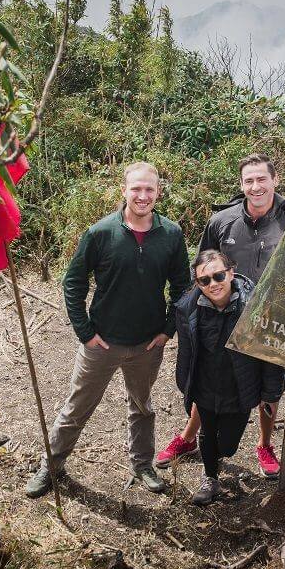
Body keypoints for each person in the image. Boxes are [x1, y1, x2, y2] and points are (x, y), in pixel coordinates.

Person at [25, 162, 190, 498]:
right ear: (124, 190)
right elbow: (72, 282)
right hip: (102, 343)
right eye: (136, 189)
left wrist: (168, 330)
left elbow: (182, 287)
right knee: (77, 407)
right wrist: (85, 332)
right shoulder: (100, 233)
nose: (142, 196)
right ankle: (52, 465)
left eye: (149, 189)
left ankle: (142, 465)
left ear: (158, 191)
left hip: (147, 344)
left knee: (142, 406)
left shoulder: (171, 234)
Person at [155, 153, 285, 478]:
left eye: (262, 179)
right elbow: (202, 266)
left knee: (268, 386)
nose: (256, 186)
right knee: (210, 377)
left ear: (275, 180)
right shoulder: (221, 222)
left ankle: (264, 444)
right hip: (221, 316)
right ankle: (189, 439)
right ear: (241, 184)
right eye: (249, 181)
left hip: (270, 321)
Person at [173, 249, 285, 505]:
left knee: (228, 446)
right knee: (208, 434)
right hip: (205, 385)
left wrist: (270, 393)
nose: (213, 284)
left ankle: (221, 456)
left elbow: (270, 356)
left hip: (239, 387)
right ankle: (210, 478)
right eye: (205, 280)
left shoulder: (255, 306)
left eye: (218, 276)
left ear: (231, 272)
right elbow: (186, 352)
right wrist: (185, 384)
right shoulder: (189, 308)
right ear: (198, 283)